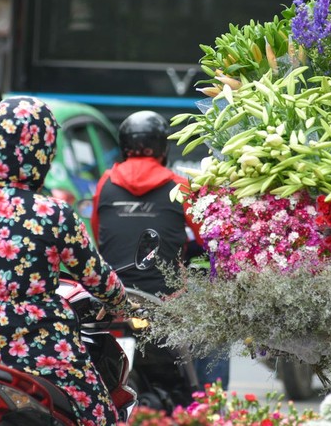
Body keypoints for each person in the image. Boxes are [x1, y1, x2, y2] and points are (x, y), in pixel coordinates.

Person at [0, 96, 128, 425]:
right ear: (43, 151)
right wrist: (120, 299)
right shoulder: (53, 211)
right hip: (43, 356)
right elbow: (95, 276)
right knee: (100, 415)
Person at [91, 109, 230, 389]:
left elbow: (98, 235)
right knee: (216, 333)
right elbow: (207, 238)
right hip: (165, 302)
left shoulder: (105, 183)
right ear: (164, 147)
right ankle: (210, 407)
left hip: (113, 300)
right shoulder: (179, 186)